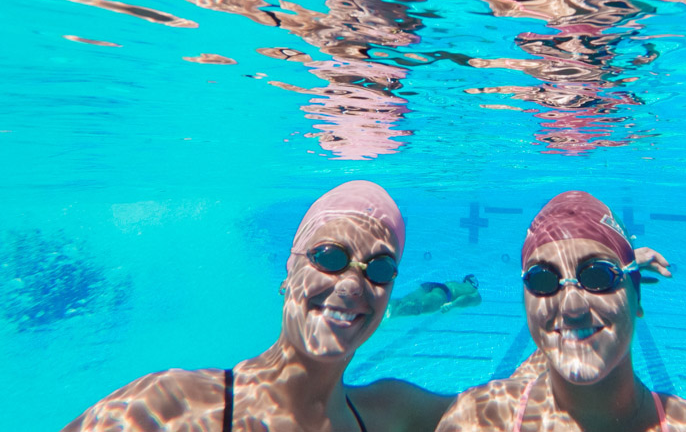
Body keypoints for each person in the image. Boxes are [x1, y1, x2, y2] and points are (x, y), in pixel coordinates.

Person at [63, 180, 450, 432]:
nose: (351, 285)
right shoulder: (172, 405)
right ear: (289, 273)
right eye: (329, 257)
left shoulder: (393, 413)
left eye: (379, 269)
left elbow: (502, 409)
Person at [436, 191, 686, 432]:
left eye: (598, 277)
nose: (572, 305)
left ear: (638, 298)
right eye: (543, 280)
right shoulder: (476, 420)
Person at [388, 274, 482, 317]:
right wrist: (452, 304)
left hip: (432, 285)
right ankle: (389, 315)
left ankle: (387, 306)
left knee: (402, 301)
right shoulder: (474, 291)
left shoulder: (456, 284)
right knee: (418, 307)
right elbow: (467, 299)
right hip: (444, 293)